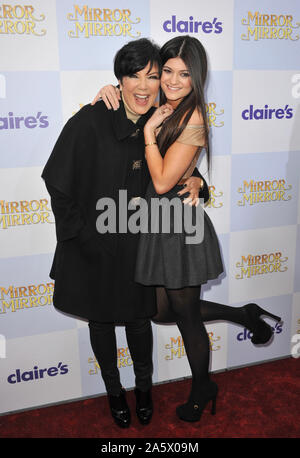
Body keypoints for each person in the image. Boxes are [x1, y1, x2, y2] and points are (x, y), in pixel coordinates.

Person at [95, 35, 282, 423]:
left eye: (184, 74)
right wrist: (108, 90)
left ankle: (202, 387)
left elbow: (163, 181)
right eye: (167, 71)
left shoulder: (193, 115)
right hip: (156, 222)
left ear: (196, 78)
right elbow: (143, 120)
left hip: (178, 225)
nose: (173, 80)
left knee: (183, 316)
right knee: (164, 311)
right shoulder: (162, 104)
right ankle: (243, 314)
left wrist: (152, 139)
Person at [41, 38, 205, 429]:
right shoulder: (91, 119)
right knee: (100, 324)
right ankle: (114, 392)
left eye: (152, 76)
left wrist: (199, 180)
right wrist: (83, 239)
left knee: (137, 321)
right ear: (119, 80)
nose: (144, 86)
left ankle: (144, 389)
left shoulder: (162, 123)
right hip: (90, 246)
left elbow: (175, 168)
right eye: (134, 76)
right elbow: (57, 185)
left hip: (138, 247)